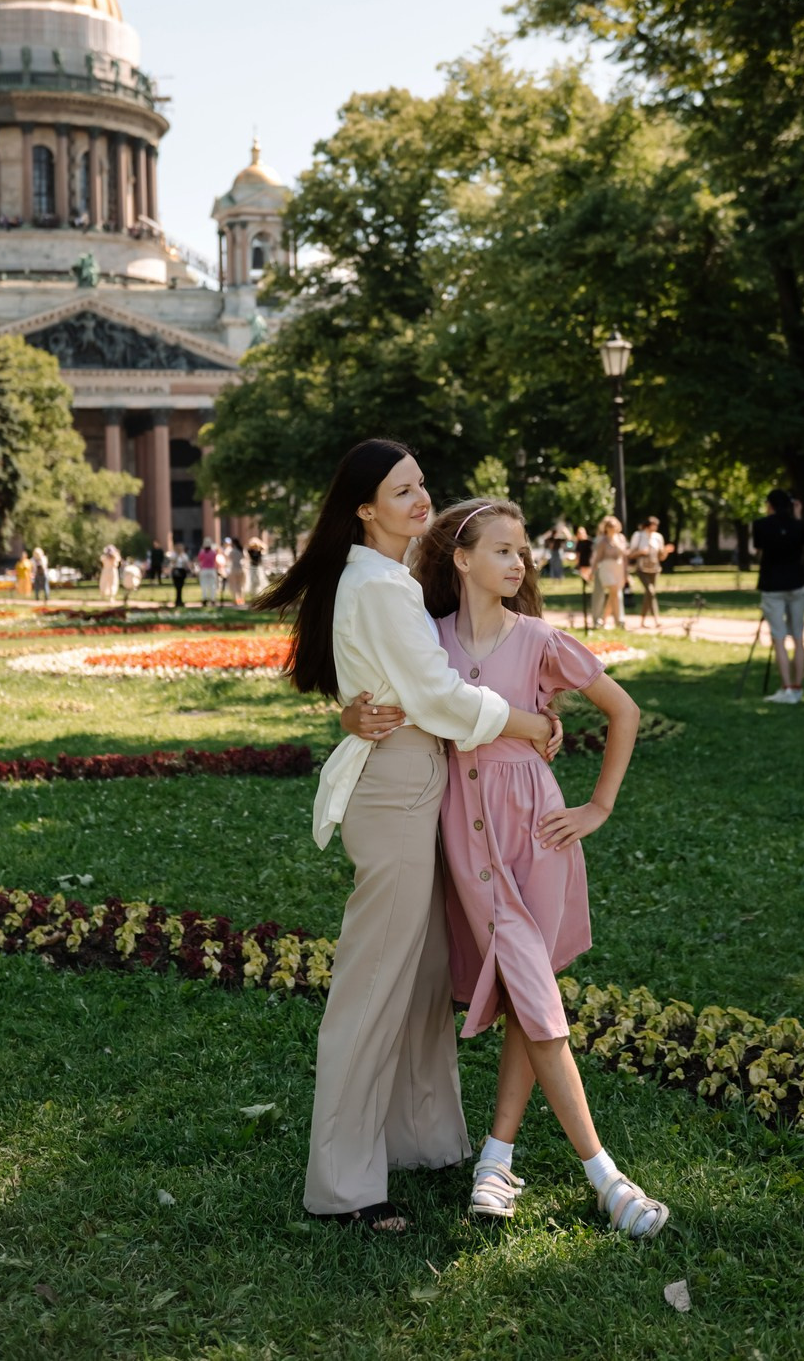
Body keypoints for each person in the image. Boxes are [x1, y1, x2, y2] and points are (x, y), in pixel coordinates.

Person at [258, 439, 563, 1233]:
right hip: (397, 786)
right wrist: (529, 722)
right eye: (402, 490)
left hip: (417, 780)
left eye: (421, 484)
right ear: (365, 509)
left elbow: (395, 679)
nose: (421, 499)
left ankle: (422, 1140)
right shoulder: (380, 585)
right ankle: (344, 1186)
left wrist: (353, 708)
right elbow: (432, 695)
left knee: (424, 975)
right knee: (373, 985)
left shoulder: (390, 579)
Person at [410, 497, 667, 1237]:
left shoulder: (541, 639)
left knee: (532, 990)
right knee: (531, 991)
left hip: (540, 834)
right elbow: (381, 696)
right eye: (502, 550)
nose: (519, 563)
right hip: (466, 834)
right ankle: (498, 1159)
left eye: (522, 552)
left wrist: (597, 809)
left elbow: (623, 712)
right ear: (461, 559)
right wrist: (353, 717)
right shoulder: (428, 640)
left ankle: (599, 1177)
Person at [752, 489, 804, 703]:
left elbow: (758, 549)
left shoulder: (761, 525)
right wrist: (797, 516)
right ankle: (797, 686)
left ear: (771, 505)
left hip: (772, 586)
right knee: (798, 637)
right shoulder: (798, 524)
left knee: (779, 638)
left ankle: (787, 688)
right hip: (796, 584)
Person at [626, 516, 670, 631]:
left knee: (650, 593)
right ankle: (656, 619)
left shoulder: (658, 537)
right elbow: (630, 553)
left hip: (654, 569)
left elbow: (661, 557)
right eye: (654, 525)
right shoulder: (638, 536)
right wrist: (640, 552)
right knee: (650, 591)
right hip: (641, 569)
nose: (655, 527)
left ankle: (644, 620)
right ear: (648, 525)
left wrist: (666, 551)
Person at [592, 516, 628, 630]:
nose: (612, 528)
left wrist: (626, 572)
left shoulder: (621, 538)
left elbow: (625, 555)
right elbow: (597, 558)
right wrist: (592, 571)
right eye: (610, 526)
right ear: (606, 527)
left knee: (615, 594)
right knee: (614, 591)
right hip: (606, 568)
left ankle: (604, 619)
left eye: (614, 526)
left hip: (618, 568)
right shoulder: (603, 541)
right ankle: (619, 620)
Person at [196, 538, 219, 605]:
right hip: (211, 570)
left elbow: (199, 560)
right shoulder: (213, 552)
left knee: (204, 585)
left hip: (204, 570)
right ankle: (212, 599)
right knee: (212, 585)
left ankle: (204, 598)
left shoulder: (202, 552)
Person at [169, 543, 192, 610]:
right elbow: (172, 563)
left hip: (182, 571)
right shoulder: (173, 555)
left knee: (180, 587)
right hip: (176, 570)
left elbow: (186, 564)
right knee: (177, 586)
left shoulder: (184, 555)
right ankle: (177, 601)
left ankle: (180, 601)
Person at [227, 537, 247, 608]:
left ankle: (237, 600)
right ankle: (241, 600)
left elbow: (229, 559)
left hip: (234, 569)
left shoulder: (232, 551)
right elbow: (245, 558)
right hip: (241, 569)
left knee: (234, 585)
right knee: (241, 585)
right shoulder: (242, 550)